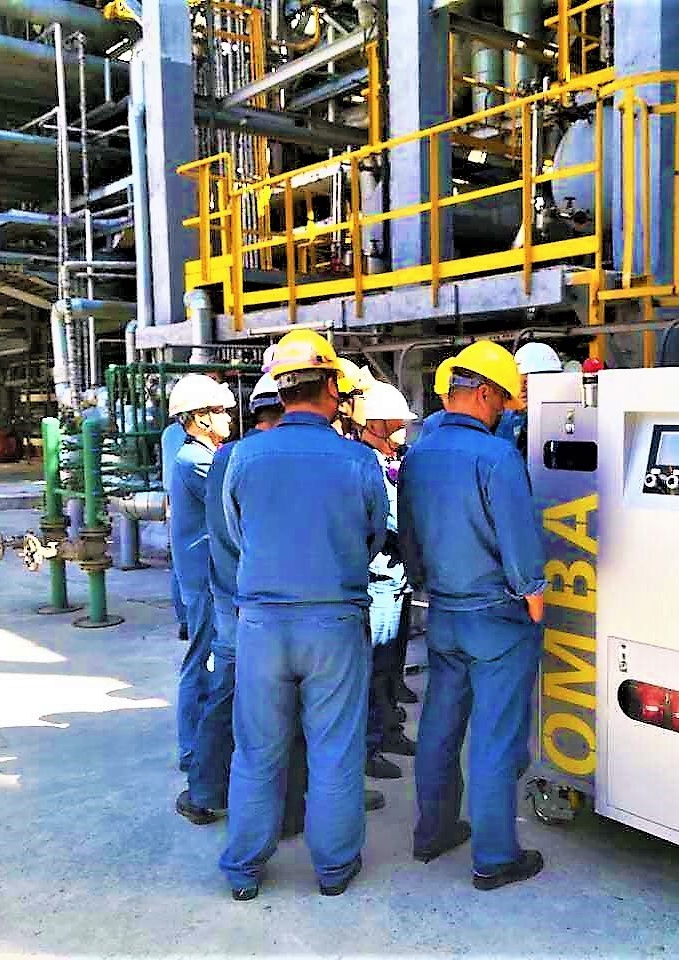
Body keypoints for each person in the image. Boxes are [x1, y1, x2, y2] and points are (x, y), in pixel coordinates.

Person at [219, 329, 388, 901]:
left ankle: (244, 869)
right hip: (333, 621)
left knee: (256, 751)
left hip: (262, 624)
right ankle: (334, 870)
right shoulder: (358, 459)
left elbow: (238, 534)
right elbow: (373, 538)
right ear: (331, 387)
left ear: (281, 389)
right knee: (335, 750)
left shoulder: (243, 455)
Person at [398, 339, 548, 891]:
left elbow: (409, 533)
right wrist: (534, 594)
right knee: (496, 736)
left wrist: (424, 581)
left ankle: (434, 831)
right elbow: (518, 536)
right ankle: (495, 857)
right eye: (503, 400)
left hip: (444, 613)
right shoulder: (496, 456)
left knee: (440, 725)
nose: (505, 411)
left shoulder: (419, 454)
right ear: (483, 393)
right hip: (496, 618)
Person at [166, 374, 236, 806]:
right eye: (221, 411)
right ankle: (192, 749)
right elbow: (236, 495)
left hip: (202, 573)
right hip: (205, 576)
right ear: (201, 418)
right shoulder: (196, 461)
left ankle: (195, 746)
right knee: (201, 660)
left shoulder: (199, 455)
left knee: (203, 658)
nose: (228, 417)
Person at [359, 381, 420, 781]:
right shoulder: (367, 464)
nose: (404, 428)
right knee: (375, 667)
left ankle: (388, 731)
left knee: (390, 666)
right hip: (380, 577)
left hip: (396, 577)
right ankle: (370, 746)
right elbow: (391, 520)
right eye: (397, 422)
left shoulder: (390, 460)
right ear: (377, 423)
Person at [494, 342, 562, 458]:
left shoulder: (563, 417)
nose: (522, 389)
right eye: (518, 381)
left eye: (527, 382)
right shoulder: (508, 415)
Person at [161, 414, 189, 643]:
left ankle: (184, 621)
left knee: (179, 562)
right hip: (189, 500)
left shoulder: (169, 433)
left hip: (171, 500)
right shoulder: (190, 439)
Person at [415, 357, 455, 443]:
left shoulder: (482, 420)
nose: (448, 403)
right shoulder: (433, 423)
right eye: (444, 397)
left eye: (452, 397)